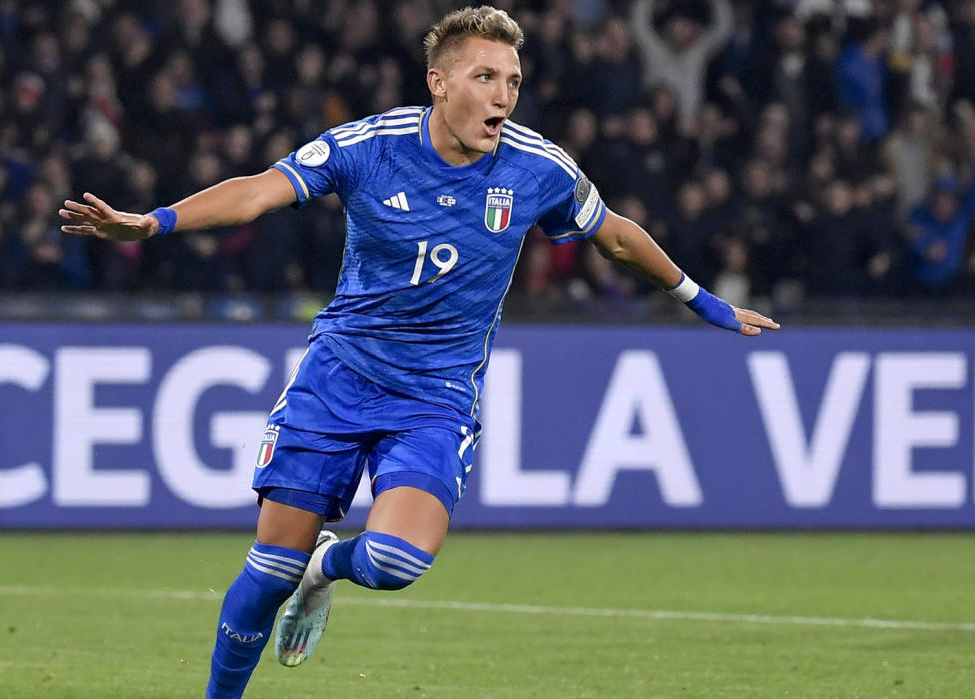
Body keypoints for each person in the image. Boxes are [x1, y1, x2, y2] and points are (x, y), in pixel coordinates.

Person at [59, 7, 779, 697]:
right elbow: (256, 194)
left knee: (396, 558)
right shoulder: (367, 146)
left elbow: (616, 234)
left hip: (433, 398)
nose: (505, 96)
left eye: (514, 81)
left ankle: (327, 568)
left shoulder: (536, 168)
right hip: (338, 377)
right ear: (440, 82)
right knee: (267, 566)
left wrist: (705, 303)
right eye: (486, 78)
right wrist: (151, 223)